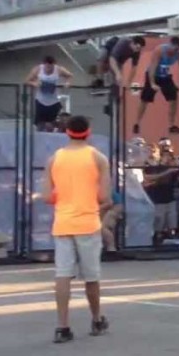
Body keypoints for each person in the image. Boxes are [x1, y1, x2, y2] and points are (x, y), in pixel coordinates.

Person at [40, 115, 110, 344]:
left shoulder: (55, 159)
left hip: (63, 223)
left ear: (66, 131)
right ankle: (96, 319)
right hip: (88, 222)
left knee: (62, 275)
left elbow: (47, 196)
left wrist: (63, 196)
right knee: (91, 276)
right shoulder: (98, 158)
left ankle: (62, 326)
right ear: (88, 131)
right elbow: (104, 196)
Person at [134, 36, 179, 136]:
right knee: (145, 100)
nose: (173, 52)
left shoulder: (178, 54)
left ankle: (171, 126)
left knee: (173, 98)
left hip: (165, 76)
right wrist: (152, 83)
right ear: (169, 45)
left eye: (176, 50)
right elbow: (152, 67)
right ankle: (137, 123)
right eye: (173, 50)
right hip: (153, 75)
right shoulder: (160, 50)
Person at [26, 56, 74, 132]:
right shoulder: (38, 69)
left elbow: (70, 75)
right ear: (44, 64)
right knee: (40, 125)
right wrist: (34, 83)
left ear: (54, 65)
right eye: (47, 67)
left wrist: (67, 83)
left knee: (50, 125)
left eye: (51, 67)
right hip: (40, 101)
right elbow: (27, 81)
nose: (49, 69)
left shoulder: (59, 69)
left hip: (53, 101)